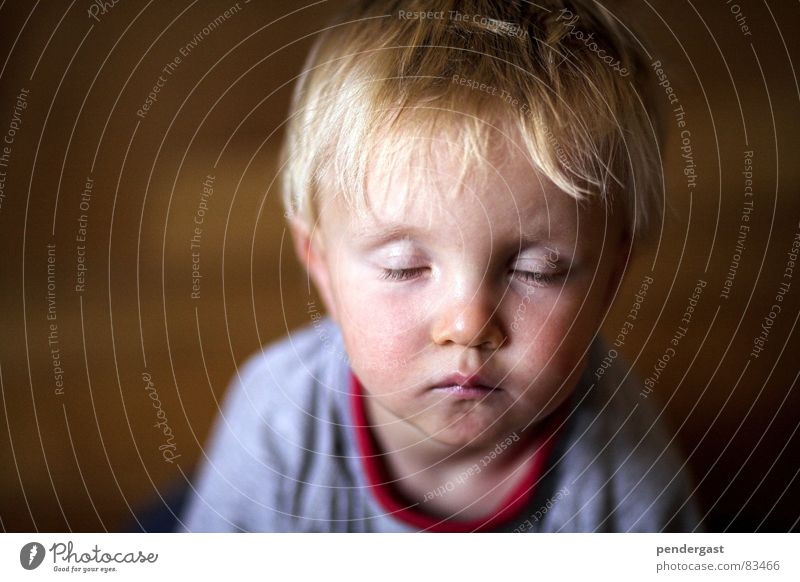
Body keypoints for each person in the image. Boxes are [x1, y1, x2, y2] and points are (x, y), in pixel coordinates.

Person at [179, 0, 702, 532]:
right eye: (405, 267)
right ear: (321, 265)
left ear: (611, 278)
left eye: (538, 271)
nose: (468, 325)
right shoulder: (277, 422)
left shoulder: (625, 470)